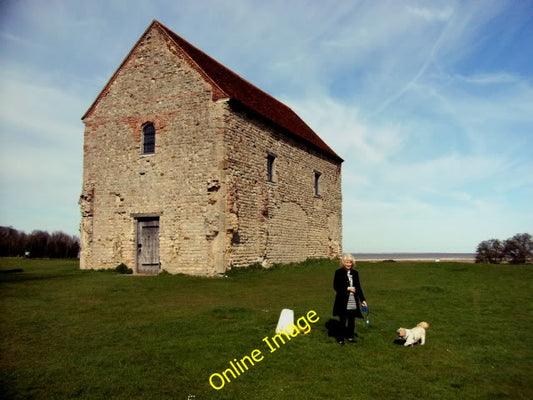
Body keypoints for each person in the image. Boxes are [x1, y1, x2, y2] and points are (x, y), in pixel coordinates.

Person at [332, 253, 367, 345]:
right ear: (343, 263)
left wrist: (363, 300)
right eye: (347, 262)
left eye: (350, 262)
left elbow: (358, 287)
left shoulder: (355, 273)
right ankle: (340, 338)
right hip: (342, 300)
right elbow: (336, 286)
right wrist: (347, 288)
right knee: (342, 320)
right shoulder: (338, 272)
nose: (348, 264)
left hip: (352, 300)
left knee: (351, 320)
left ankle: (350, 336)